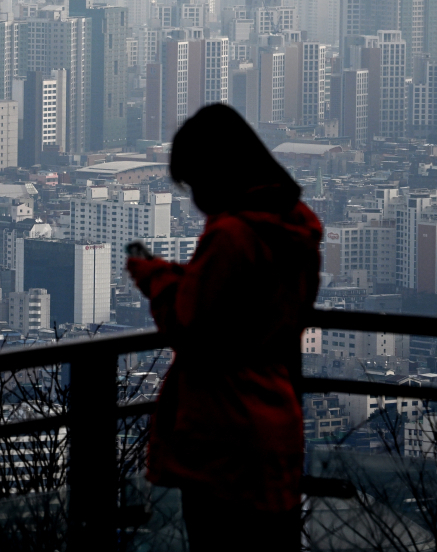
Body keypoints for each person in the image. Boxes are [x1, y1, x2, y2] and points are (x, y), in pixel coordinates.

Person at [126, 104, 321, 550]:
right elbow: (245, 309)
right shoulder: (296, 228)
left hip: (225, 432)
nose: (195, 197)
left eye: (195, 181)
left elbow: (190, 330)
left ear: (217, 171)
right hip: (279, 419)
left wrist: (153, 277)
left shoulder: (232, 236)